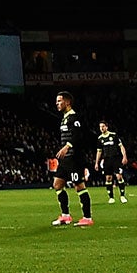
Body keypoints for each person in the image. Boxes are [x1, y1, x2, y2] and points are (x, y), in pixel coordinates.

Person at [52, 91, 93, 227]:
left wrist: (67, 146)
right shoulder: (64, 118)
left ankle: (87, 217)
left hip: (75, 158)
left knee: (79, 186)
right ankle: (65, 216)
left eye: (59, 101)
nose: (57, 103)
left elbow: (79, 135)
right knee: (57, 184)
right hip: (65, 160)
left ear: (67, 102)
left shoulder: (74, 118)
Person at [95, 121, 129, 203]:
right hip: (107, 160)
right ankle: (111, 197)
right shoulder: (100, 139)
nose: (102, 128)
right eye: (100, 127)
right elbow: (99, 151)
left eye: (103, 126)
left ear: (107, 127)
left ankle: (122, 196)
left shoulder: (114, 135)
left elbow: (121, 146)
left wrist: (124, 156)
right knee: (108, 178)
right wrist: (96, 162)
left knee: (119, 176)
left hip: (116, 159)